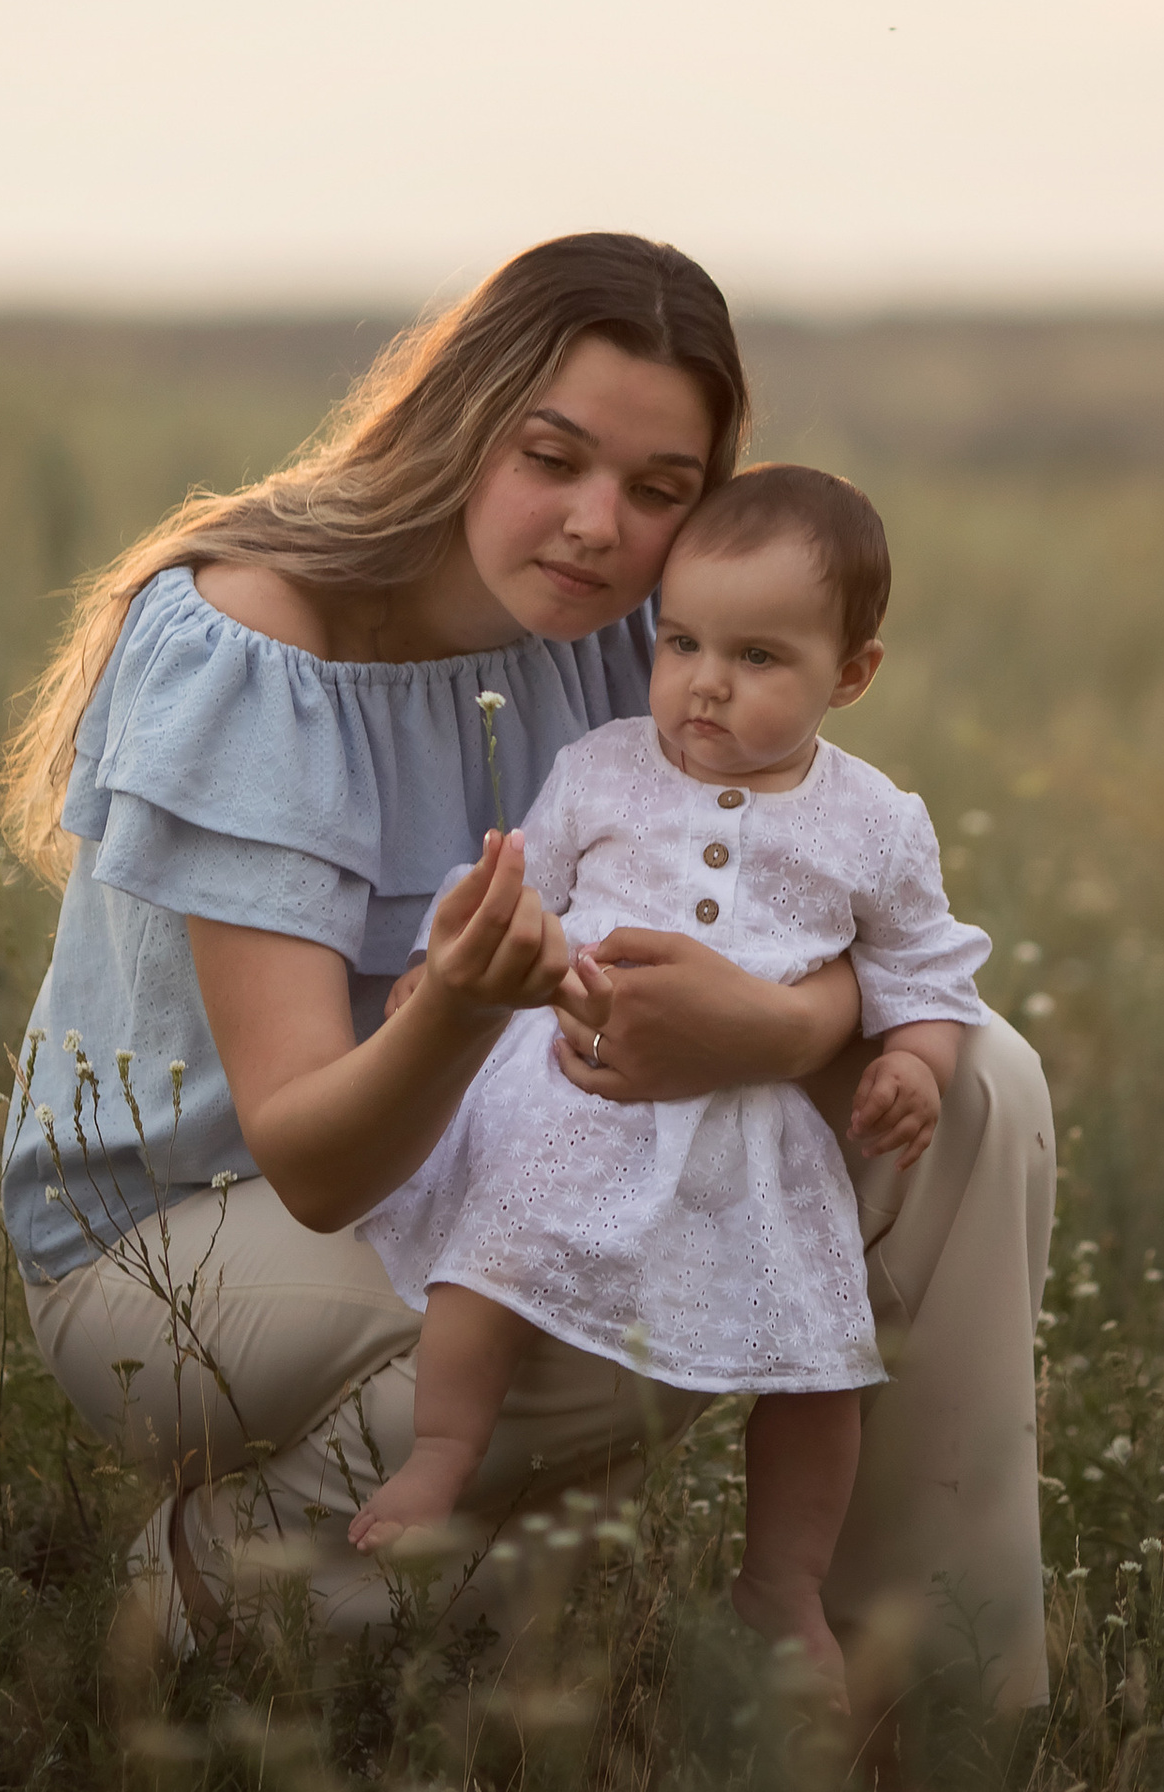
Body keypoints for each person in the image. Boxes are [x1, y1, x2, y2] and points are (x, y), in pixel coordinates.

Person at [0, 231, 1056, 1711]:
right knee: (610, 1253)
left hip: (499, 1144)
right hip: (186, 1245)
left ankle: (923, 1707)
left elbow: (830, 923)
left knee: (980, 1083)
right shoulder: (257, 640)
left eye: (658, 490)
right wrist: (456, 1005)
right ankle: (228, 1589)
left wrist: (768, 1027)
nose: (596, 527)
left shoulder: (638, 631)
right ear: (460, 418)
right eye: (549, 458)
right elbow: (311, 1161)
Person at [350, 464, 992, 1709]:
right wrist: (444, 965)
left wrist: (915, 1061)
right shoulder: (603, 768)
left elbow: (924, 968)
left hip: (746, 1133)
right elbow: (516, 886)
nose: (704, 683)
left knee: (820, 1366)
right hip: (568, 1089)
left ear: (850, 674)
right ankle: (442, 1452)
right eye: (682, 642)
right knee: (488, 1258)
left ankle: (783, 1582)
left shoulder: (873, 822)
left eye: (757, 657)